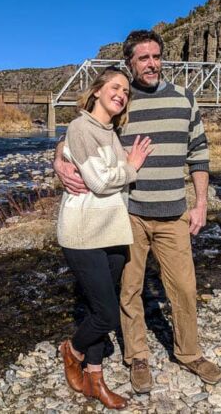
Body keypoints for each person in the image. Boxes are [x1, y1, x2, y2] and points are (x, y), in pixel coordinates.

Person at [54, 30, 221, 395]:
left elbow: (199, 153)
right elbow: (81, 130)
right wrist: (57, 159)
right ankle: (138, 358)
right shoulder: (122, 104)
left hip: (174, 212)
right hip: (128, 215)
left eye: (156, 56)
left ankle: (190, 353)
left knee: (183, 287)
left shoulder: (184, 98)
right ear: (130, 63)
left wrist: (200, 204)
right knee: (129, 291)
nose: (152, 63)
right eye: (143, 58)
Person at [57, 66, 152, 410]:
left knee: (97, 305)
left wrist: (122, 167)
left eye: (126, 91)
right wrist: (133, 165)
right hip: (83, 233)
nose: (122, 94)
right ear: (96, 91)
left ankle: (96, 381)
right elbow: (98, 182)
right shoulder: (82, 127)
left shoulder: (109, 130)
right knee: (107, 316)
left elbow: (105, 177)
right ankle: (72, 350)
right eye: (115, 87)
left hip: (112, 230)